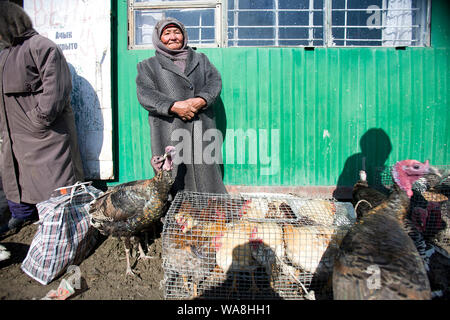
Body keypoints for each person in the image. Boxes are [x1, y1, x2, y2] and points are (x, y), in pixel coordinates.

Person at [0, 2, 84, 235]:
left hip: (44, 134)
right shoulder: (5, 53)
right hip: (15, 134)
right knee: (17, 177)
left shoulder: (41, 46)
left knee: (53, 181)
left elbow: (56, 88)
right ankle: (24, 216)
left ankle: (62, 224)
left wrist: (38, 120)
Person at [136, 18, 227, 196]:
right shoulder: (148, 66)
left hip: (201, 125)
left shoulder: (201, 59)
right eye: (166, 33)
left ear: (183, 35)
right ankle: (176, 216)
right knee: (173, 171)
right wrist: (174, 106)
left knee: (206, 169)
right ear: (158, 38)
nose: (172, 37)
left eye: (176, 32)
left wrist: (200, 100)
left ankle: (210, 213)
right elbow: (145, 93)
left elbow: (214, 82)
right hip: (169, 128)